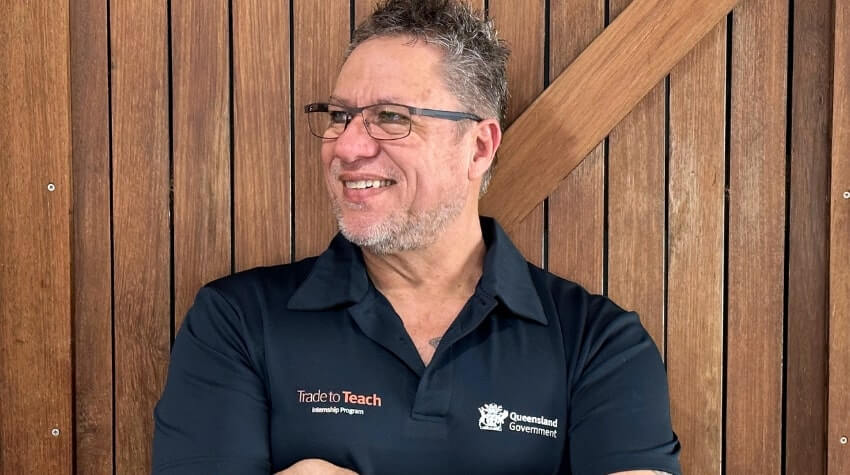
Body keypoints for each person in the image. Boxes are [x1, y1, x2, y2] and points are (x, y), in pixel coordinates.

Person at [152, 1, 681, 473]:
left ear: (478, 147)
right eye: (340, 116)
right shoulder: (237, 322)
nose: (347, 147)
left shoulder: (596, 342)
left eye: (391, 117)